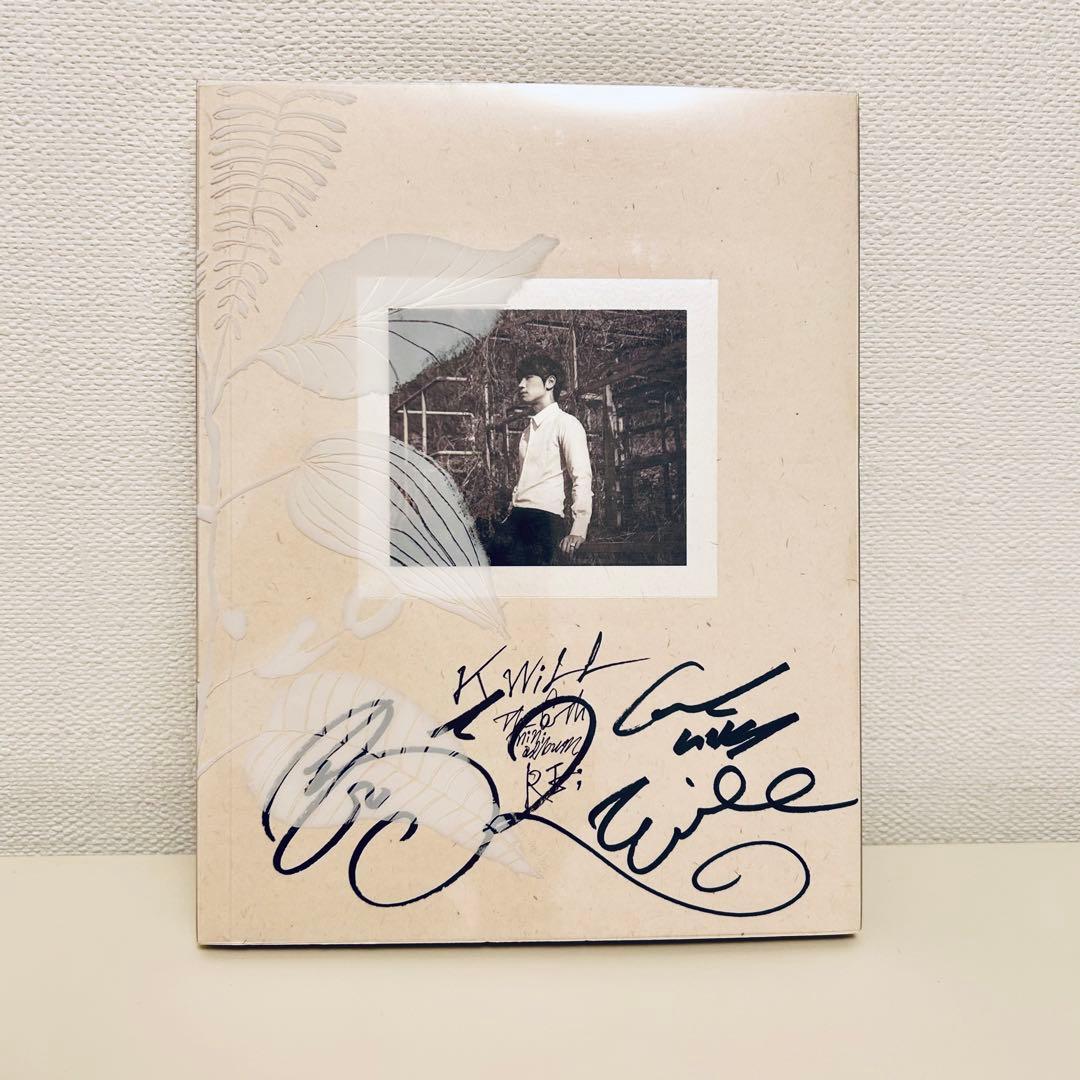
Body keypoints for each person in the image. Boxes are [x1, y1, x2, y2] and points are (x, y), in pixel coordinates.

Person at [489, 352, 593, 566]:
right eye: (520, 379)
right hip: (515, 521)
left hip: (544, 523)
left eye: (528, 378)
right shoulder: (527, 432)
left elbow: (581, 477)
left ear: (550, 382)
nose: (520, 385)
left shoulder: (567, 424)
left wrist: (578, 529)